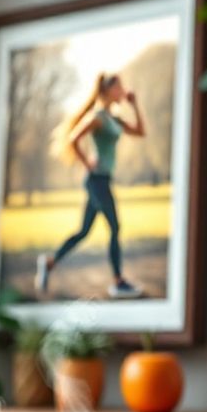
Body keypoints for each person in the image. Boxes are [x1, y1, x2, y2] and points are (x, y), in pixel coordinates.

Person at [36, 72, 145, 299]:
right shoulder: (97, 117)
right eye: (119, 87)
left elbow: (140, 132)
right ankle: (118, 282)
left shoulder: (113, 118)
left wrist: (134, 106)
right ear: (107, 90)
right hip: (96, 181)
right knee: (115, 227)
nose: (123, 90)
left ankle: (49, 263)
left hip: (103, 180)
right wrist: (87, 163)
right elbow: (73, 139)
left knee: (84, 232)